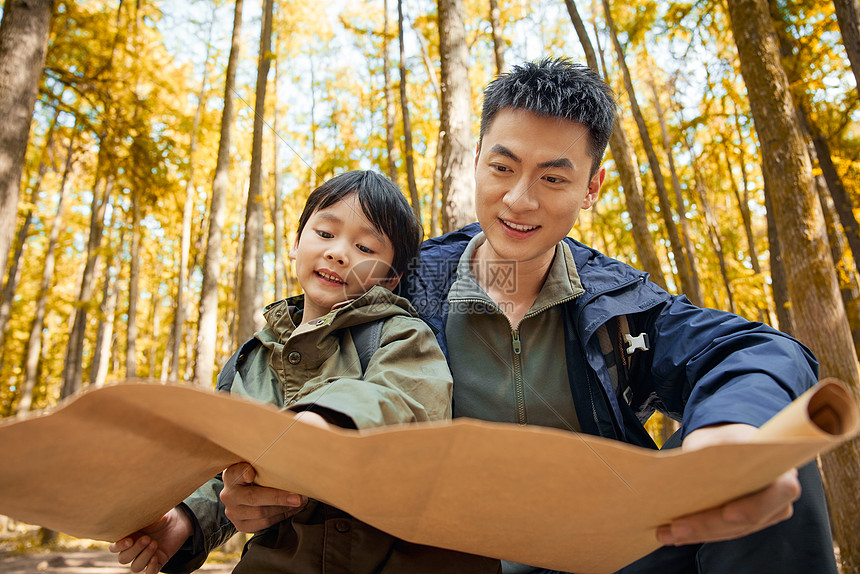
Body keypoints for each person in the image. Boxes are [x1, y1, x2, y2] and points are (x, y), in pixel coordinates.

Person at [196, 58, 838, 573]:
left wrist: (729, 431)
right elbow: (290, 382)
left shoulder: (617, 301)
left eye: (554, 179)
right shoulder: (404, 288)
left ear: (592, 188)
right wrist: (233, 502)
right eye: (502, 167)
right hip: (449, 558)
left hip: (617, 552)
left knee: (769, 452)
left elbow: (758, 349)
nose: (519, 199)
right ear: (476, 160)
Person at [109, 170, 501, 574]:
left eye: (365, 246)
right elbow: (222, 473)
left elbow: (410, 402)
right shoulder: (251, 362)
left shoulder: (402, 334)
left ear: (391, 278)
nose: (339, 253)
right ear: (295, 245)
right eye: (326, 234)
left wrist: (319, 421)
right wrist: (186, 521)